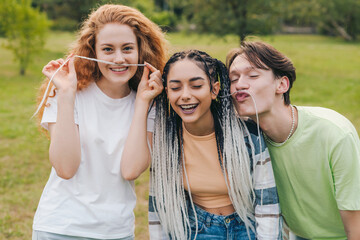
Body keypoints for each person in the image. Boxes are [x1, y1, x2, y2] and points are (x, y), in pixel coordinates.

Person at [32, 4, 167, 240]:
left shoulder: (149, 103)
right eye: (107, 49)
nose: (118, 58)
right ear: (93, 51)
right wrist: (66, 94)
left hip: (116, 232)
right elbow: (65, 168)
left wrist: (142, 103)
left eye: (127, 48)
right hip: (59, 228)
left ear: (140, 52)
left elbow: (131, 170)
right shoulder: (66, 92)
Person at [140, 50, 282, 239]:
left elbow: (267, 202)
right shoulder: (166, 142)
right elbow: (159, 208)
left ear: (214, 89)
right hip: (196, 229)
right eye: (175, 88)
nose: (185, 95)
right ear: (167, 92)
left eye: (196, 86)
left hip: (248, 226)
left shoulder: (248, 135)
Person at [226, 41, 360, 239]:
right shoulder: (246, 140)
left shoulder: (333, 133)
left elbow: (355, 223)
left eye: (253, 75)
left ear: (282, 84)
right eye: (233, 78)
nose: (240, 84)